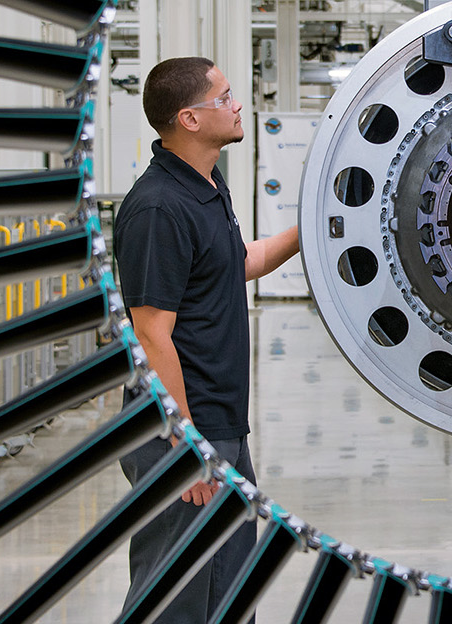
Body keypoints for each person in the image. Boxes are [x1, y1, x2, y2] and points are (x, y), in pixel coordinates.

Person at [115, 56, 300, 622]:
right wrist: (186, 447)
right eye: (224, 97)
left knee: (224, 585)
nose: (237, 103)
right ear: (189, 119)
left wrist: (319, 221)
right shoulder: (157, 207)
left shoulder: (205, 186)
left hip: (219, 424)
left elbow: (239, 262)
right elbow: (151, 333)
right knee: (177, 595)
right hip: (184, 435)